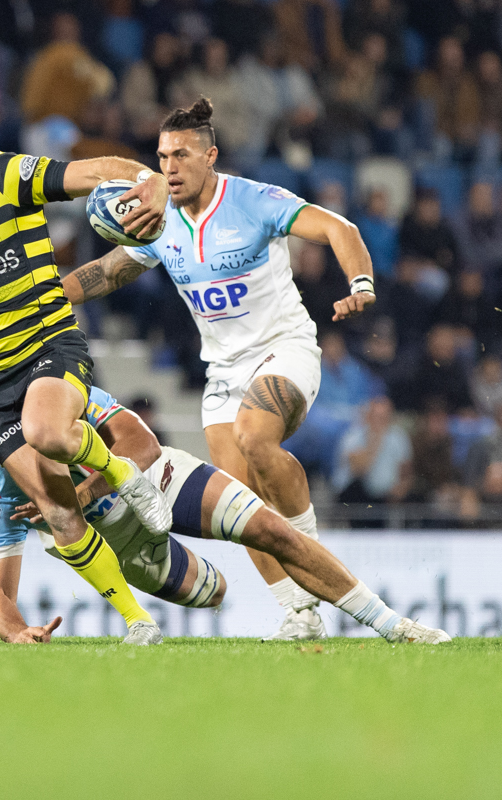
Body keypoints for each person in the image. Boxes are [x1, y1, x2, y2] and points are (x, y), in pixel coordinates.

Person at [62, 98, 378, 640]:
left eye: (181, 155)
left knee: (254, 435)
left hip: (285, 348)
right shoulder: (159, 219)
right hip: (224, 370)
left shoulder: (254, 200)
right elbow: (108, 272)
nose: (169, 168)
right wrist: (38, 300)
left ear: (210, 157)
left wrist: (361, 284)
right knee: (241, 504)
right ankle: (299, 612)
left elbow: (338, 227)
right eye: (162, 157)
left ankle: (308, 544)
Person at [0, 88, 175, 645]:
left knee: (47, 431)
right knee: (57, 509)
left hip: (46, 344)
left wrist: (152, 181)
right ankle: (138, 621)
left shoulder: (3, 174)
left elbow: (91, 171)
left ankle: (122, 476)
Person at [0, 385, 449, 645]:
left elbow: (143, 446)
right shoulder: (3, 469)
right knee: (212, 592)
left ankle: (393, 625)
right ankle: (157, 559)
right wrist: (18, 633)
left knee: (270, 528)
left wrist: (84, 494)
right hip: (121, 547)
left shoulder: (68, 390)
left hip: (157, 481)